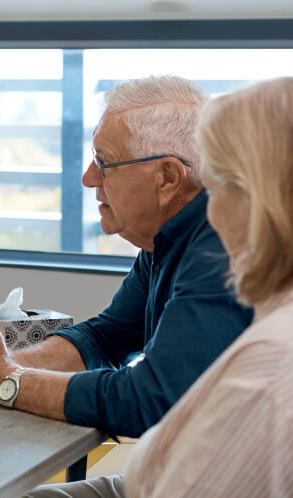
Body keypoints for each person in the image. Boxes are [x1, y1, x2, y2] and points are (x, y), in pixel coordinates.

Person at [0, 76, 253, 440]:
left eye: (104, 162)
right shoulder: (167, 238)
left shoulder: (223, 250)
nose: (87, 179)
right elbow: (103, 339)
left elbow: (148, 400)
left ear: (168, 177)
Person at [122, 77, 293, 497]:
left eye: (215, 189)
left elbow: (153, 398)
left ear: (258, 200)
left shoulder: (269, 370)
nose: (211, 216)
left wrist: (6, 381)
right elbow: (110, 331)